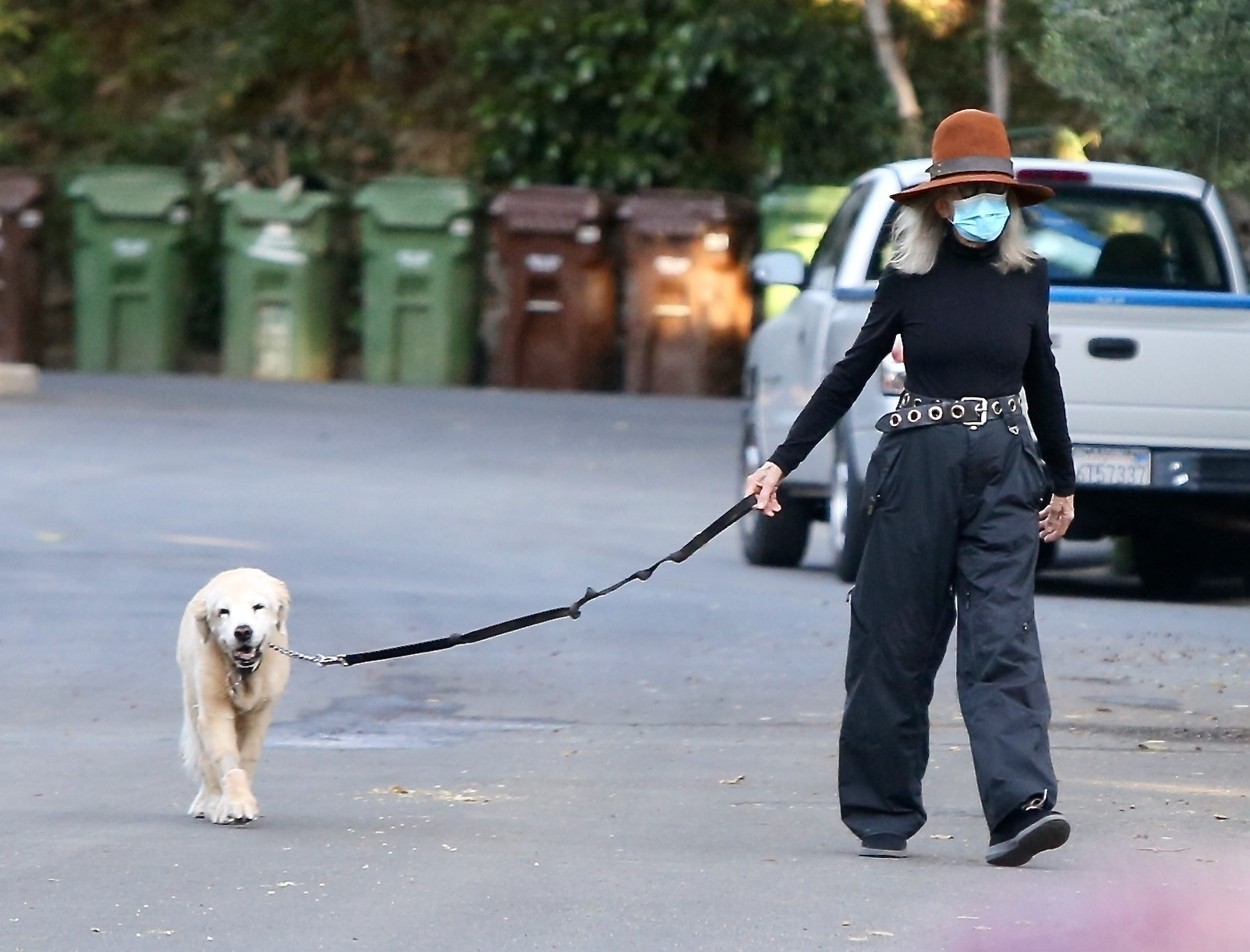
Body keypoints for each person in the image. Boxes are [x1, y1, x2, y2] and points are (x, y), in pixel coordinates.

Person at [745, 108, 1076, 867]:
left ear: (1012, 202)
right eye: (967, 195)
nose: (983, 208)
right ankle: (882, 811)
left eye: (995, 194)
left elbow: (1043, 378)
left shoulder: (1029, 279)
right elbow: (849, 372)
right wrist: (782, 461)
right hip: (918, 462)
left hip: (1004, 465)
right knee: (894, 640)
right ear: (938, 203)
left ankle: (1021, 810)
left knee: (1003, 639)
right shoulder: (907, 280)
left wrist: (1063, 477)